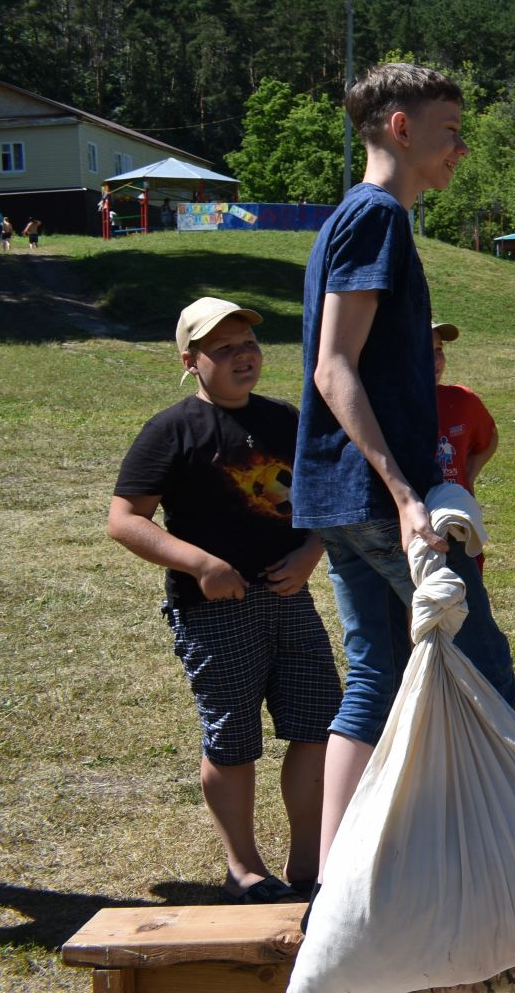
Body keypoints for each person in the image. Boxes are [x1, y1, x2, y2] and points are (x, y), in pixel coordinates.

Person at [294, 62, 515, 874]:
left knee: (377, 675)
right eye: (450, 130)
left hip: (340, 498)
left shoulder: (353, 220)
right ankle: (489, 866)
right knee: (482, 669)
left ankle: (340, 885)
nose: (461, 148)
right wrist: (404, 493)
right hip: (377, 499)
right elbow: (333, 369)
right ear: (400, 128)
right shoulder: (378, 217)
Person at [109, 297, 342, 904]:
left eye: (250, 345)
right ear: (191, 361)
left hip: (289, 598)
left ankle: (308, 862)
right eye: (225, 349)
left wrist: (310, 552)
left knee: (317, 726)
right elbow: (125, 520)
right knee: (233, 739)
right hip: (212, 612)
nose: (243, 357)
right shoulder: (172, 429)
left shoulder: (286, 420)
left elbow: (325, 498)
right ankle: (243, 868)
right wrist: (201, 564)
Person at [433, 318, 497, 571]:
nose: (436, 360)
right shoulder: (388, 405)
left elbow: (490, 436)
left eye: (439, 351)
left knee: (469, 604)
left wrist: (469, 474)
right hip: (409, 529)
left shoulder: (461, 400)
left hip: (457, 523)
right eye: (423, 352)